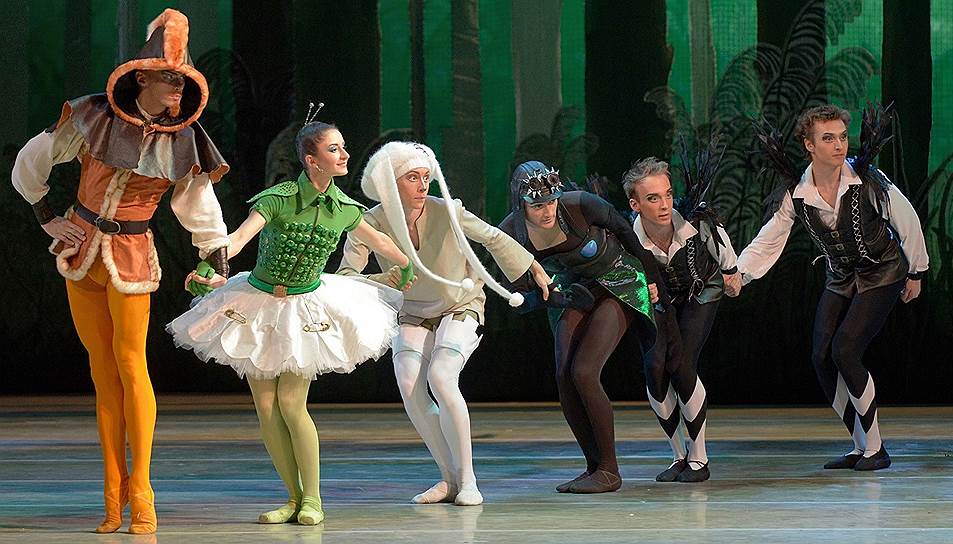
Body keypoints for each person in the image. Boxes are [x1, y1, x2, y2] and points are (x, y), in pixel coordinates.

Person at [11, 9, 229, 534]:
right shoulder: (95, 117)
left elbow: (200, 208)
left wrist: (215, 259)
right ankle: (112, 497)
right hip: (82, 250)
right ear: (143, 78)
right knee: (102, 372)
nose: (177, 88)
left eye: (183, 79)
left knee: (132, 367)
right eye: (169, 77)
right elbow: (33, 159)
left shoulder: (183, 138)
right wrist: (47, 217)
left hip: (131, 255)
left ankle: (143, 491)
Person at [168, 121, 412, 525]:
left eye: (343, 147)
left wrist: (405, 266)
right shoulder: (277, 200)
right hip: (258, 305)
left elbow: (380, 241)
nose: (345, 155)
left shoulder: (343, 209)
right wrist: (210, 268)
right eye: (334, 149)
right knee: (266, 408)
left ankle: (313, 499)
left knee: (291, 404)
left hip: (306, 308)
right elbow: (237, 240)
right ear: (311, 160)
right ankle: (293, 497)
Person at [338, 141, 550, 506]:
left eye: (426, 177)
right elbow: (346, 276)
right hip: (412, 311)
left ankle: (468, 479)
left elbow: (491, 236)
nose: (423, 185)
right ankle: (448, 477)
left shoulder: (447, 209)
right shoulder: (368, 222)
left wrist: (532, 267)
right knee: (409, 384)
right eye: (412, 178)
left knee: (441, 376)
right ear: (389, 182)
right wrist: (383, 279)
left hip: (460, 305)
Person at [739, 104, 928, 471]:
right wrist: (740, 273)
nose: (839, 145)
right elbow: (769, 239)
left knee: (845, 349)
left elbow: (907, 220)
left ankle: (876, 449)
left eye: (842, 137)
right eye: (828, 138)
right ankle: (860, 445)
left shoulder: (867, 178)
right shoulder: (797, 192)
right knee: (821, 356)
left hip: (882, 270)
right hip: (841, 275)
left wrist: (916, 272)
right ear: (809, 145)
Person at [499, 161, 666, 493]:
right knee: (564, 376)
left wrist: (651, 279)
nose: (547, 211)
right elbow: (517, 298)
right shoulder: (510, 234)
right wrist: (553, 300)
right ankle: (595, 466)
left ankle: (610, 470)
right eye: (537, 205)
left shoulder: (579, 205)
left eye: (550, 202)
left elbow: (627, 234)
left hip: (619, 279)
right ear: (521, 204)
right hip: (572, 291)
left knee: (584, 371)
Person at [624, 153, 739, 483]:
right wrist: (641, 287)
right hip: (661, 302)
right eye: (653, 198)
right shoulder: (629, 238)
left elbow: (726, 257)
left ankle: (699, 458)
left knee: (682, 363)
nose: (664, 205)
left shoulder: (697, 220)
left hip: (701, 291)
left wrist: (733, 274)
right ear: (635, 204)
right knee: (655, 369)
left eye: (668, 194)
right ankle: (678, 455)